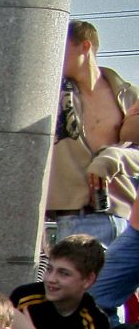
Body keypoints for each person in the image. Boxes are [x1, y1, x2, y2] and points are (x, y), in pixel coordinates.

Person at [49, 20, 139, 246]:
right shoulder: (50, 96)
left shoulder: (128, 95)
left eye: (61, 45)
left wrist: (115, 157)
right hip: (72, 218)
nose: (54, 53)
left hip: (123, 216)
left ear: (85, 46)